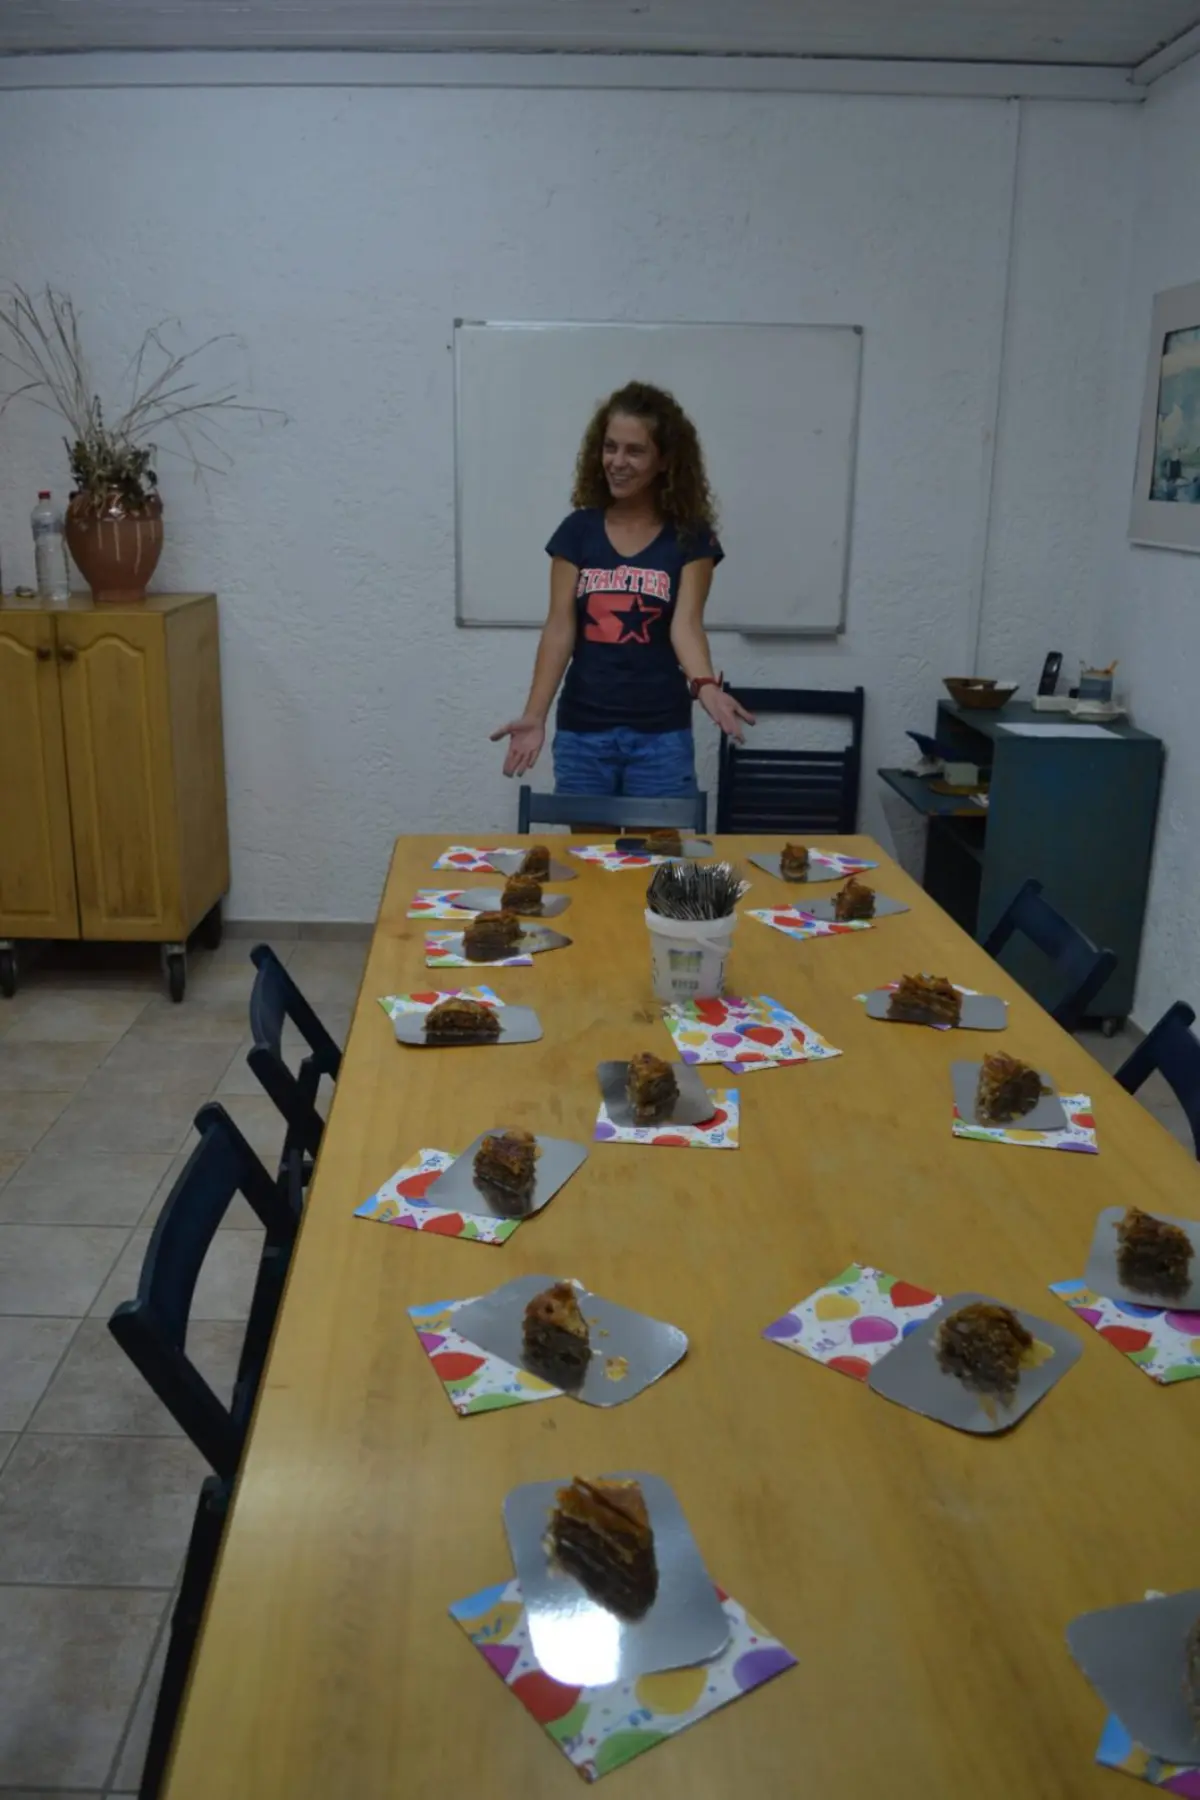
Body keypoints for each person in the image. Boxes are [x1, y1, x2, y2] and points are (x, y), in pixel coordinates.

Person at [490, 380, 754, 797]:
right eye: (610, 447)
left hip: (661, 736)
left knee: (658, 844)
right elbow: (559, 628)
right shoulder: (577, 532)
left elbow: (685, 626)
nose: (617, 462)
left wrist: (705, 685)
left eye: (635, 451)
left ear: (664, 460)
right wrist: (535, 715)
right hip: (583, 733)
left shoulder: (691, 538)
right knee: (591, 843)